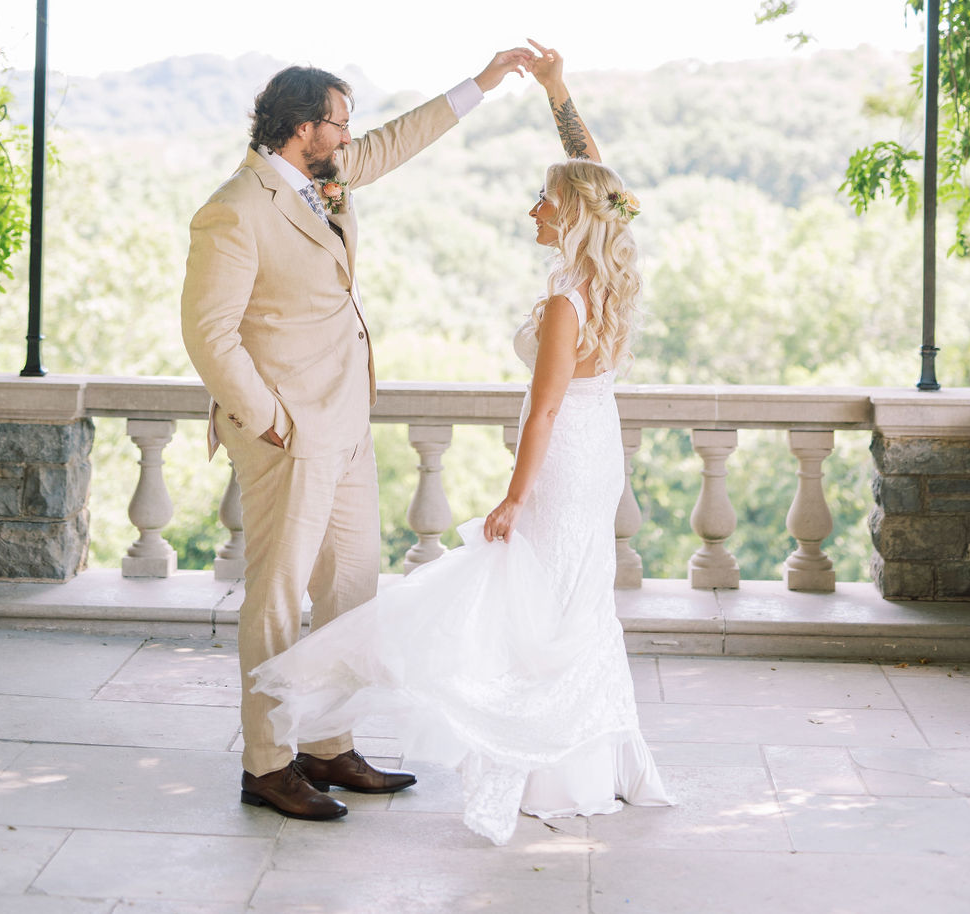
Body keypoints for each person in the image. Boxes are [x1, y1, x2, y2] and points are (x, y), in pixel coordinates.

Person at [251, 41, 672, 843]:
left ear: (569, 216)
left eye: (543, 203)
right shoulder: (612, 269)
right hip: (599, 449)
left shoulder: (563, 303)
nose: (532, 211)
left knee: (530, 602)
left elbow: (542, 412)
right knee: (573, 600)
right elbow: (601, 184)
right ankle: (591, 761)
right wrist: (555, 94)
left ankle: (532, 755)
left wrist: (513, 496)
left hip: (563, 453)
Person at [181, 50, 534, 821]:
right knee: (276, 597)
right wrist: (270, 418)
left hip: (345, 421)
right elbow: (209, 333)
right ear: (306, 127)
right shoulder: (235, 208)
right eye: (341, 122)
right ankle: (268, 763)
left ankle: (326, 742)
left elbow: (398, 140)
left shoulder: (322, 179)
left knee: (352, 587)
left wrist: (485, 79)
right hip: (287, 433)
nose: (351, 134)